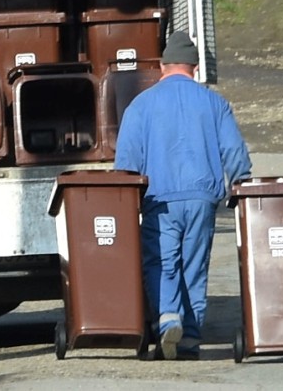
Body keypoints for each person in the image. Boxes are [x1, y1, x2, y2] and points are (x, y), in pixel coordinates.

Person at [114, 31, 252, 360]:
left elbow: (127, 161)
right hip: (202, 197)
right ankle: (189, 339)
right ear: (195, 67)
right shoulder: (214, 103)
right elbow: (234, 151)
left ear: (162, 65)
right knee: (194, 265)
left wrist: (126, 193)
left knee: (161, 262)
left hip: (160, 198)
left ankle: (168, 317)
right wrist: (242, 182)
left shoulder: (141, 105)